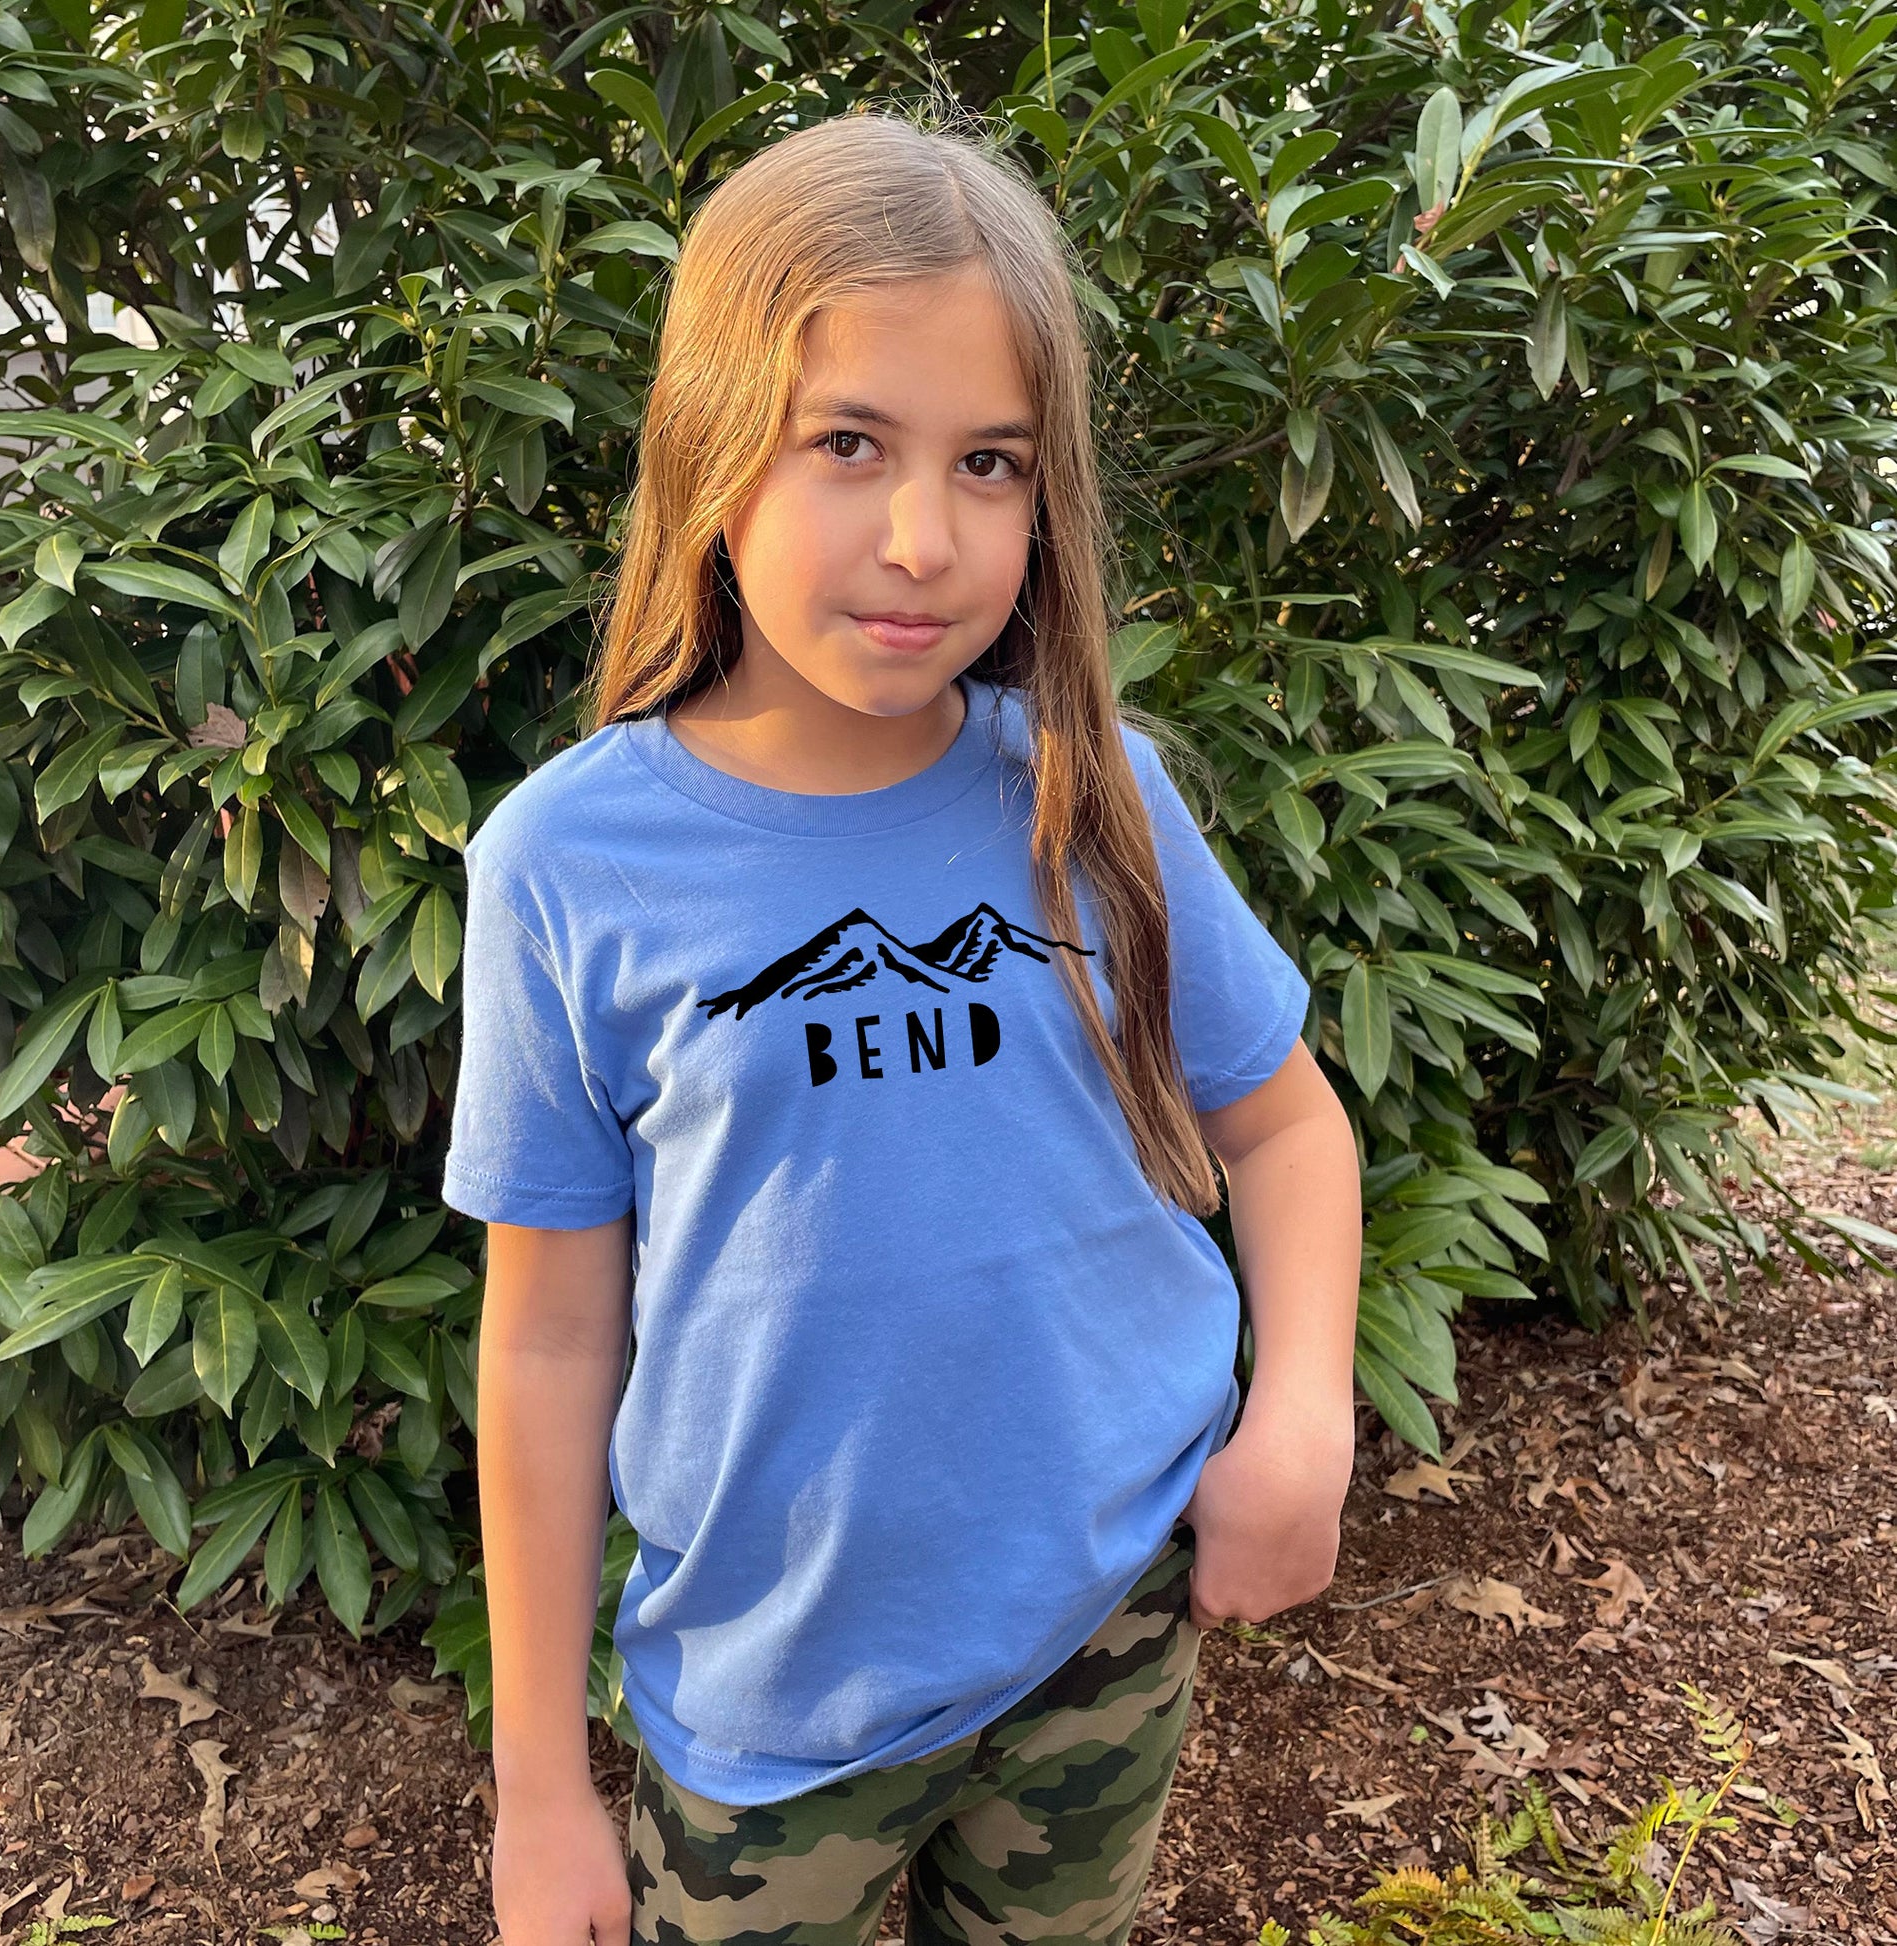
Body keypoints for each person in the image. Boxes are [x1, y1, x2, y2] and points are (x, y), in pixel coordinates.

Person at [442, 102, 1362, 1946]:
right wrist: (542, 1790)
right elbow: (546, 1351)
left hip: (1099, 1626)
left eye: (993, 464)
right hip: (767, 1709)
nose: (924, 536)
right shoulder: (565, 862)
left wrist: (1303, 1411)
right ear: (716, 444)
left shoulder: (1093, 792)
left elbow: (1285, 1124)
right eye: (848, 443)